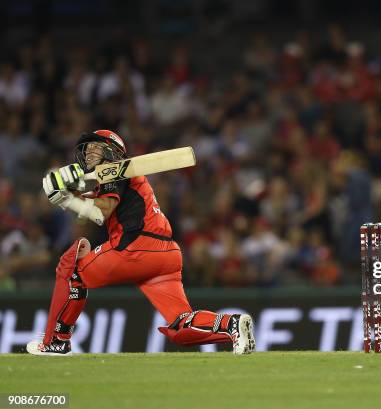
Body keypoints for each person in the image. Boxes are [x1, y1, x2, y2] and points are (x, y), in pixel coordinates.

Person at [27, 130, 255, 355]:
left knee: (73, 271)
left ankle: (56, 341)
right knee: (181, 325)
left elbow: (100, 214)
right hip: (166, 253)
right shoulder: (114, 176)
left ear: (112, 152)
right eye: (87, 148)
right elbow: (89, 211)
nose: (89, 152)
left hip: (136, 248)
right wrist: (71, 195)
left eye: (96, 146)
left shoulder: (115, 170)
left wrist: (66, 198)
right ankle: (232, 324)